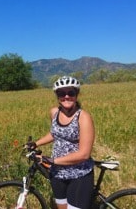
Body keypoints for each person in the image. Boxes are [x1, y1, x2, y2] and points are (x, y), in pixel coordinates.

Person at [25, 76, 95, 209]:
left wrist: (51, 160)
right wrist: (36, 143)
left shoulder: (83, 117)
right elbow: (54, 133)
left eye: (71, 93)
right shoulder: (54, 112)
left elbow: (84, 154)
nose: (66, 97)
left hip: (79, 174)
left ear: (77, 95)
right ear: (57, 96)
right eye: (61, 93)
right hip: (57, 173)